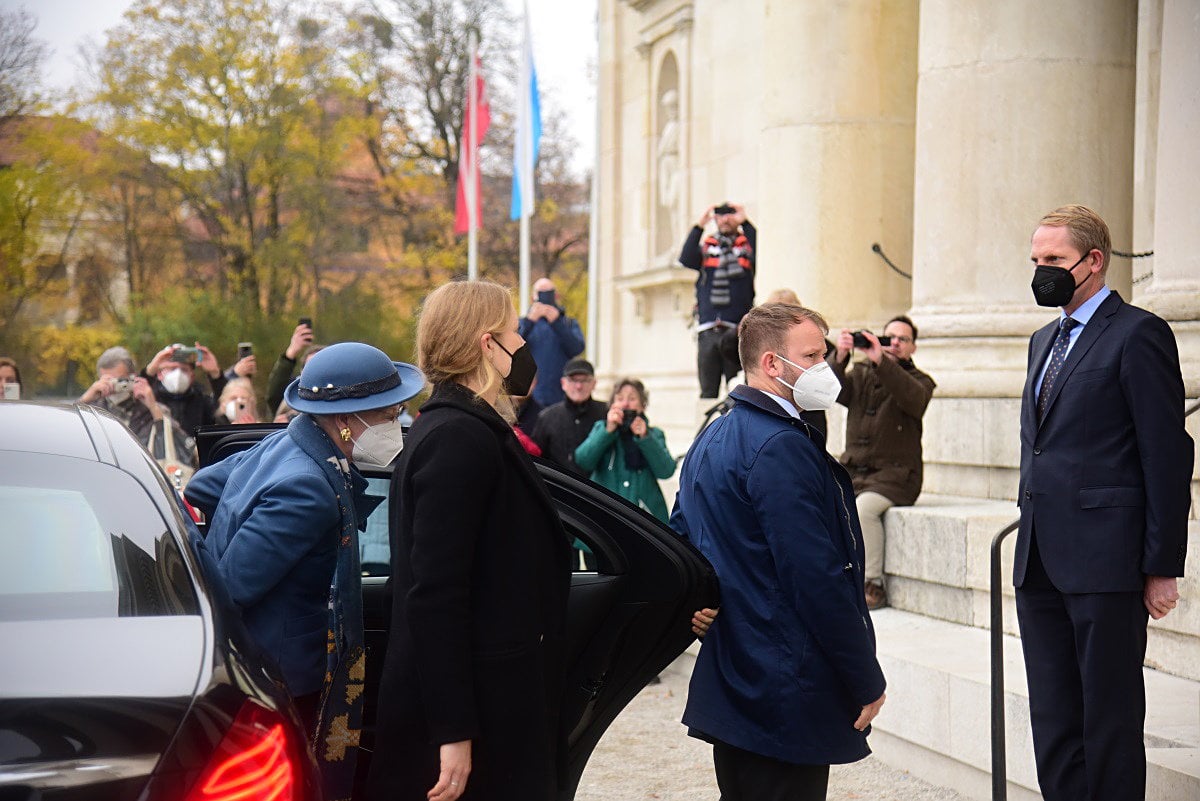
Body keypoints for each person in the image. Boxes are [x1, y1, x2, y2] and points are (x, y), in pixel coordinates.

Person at [185, 341, 424, 800]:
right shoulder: (309, 489)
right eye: (389, 416)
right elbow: (231, 588)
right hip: (289, 677)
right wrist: (224, 543)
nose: (397, 426)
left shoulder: (287, 443)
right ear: (345, 422)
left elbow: (203, 486)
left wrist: (230, 521)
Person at [670, 303, 886, 801]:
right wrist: (864, 676)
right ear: (771, 364)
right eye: (811, 355)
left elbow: (681, 540)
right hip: (783, 681)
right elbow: (815, 575)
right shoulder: (779, 446)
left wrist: (700, 605)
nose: (824, 367)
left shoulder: (714, 434)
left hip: (738, 675)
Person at [367, 280, 572, 801]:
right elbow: (436, 593)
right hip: (478, 706)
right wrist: (452, 730)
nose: (523, 347)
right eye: (514, 333)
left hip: (492, 691)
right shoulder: (458, 438)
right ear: (487, 344)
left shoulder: (463, 428)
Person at [1014, 204, 1192, 801]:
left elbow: (1167, 453)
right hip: (1039, 558)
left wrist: (1162, 563)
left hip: (1107, 563)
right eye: (1037, 260)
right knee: (1054, 718)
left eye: (1055, 261)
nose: (1043, 272)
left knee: (1109, 720)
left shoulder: (1139, 333)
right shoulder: (1043, 340)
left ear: (1093, 261)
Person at [830, 316, 936, 610]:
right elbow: (832, 391)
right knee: (821, 502)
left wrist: (881, 360)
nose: (895, 344)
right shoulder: (860, 373)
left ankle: (872, 585)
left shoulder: (920, 381)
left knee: (863, 509)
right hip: (855, 471)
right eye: (889, 337)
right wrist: (839, 356)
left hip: (897, 477)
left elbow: (914, 401)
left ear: (913, 348)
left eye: (903, 340)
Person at [679, 202, 757, 398]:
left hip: (736, 330)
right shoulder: (708, 247)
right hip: (708, 329)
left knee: (737, 388)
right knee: (708, 390)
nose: (725, 219)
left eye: (730, 214)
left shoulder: (745, 247)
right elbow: (686, 258)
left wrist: (745, 222)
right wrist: (700, 225)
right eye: (720, 215)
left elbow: (762, 249)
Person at [573, 377, 676, 523]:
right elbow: (583, 460)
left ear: (643, 405)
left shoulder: (654, 434)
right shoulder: (601, 428)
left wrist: (645, 438)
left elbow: (666, 471)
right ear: (612, 405)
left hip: (643, 516)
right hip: (604, 513)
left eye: (632, 399)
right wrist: (607, 431)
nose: (626, 404)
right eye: (620, 398)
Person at [79, 346, 198, 469]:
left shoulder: (152, 410)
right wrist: (84, 400)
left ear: (133, 377)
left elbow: (188, 448)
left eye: (120, 381)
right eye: (108, 381)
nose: (114, 387)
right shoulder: (90, 412)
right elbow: (67, 438)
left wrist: (153, 407)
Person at [530, 357, 608, 477]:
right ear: (563, 383)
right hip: (559, 490)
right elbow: (537, 459)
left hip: (598, 492)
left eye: (585, 380)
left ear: (594, 384)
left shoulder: (606, 414)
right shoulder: (547, 417)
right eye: (573, 380)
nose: (578, 386)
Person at [518, 277, 585, 409]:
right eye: (541, 293)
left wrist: (557, 322)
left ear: (556, 296)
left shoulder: (568, 323)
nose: (545, 297)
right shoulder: (523, 323)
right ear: (533, 297)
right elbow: (511, 348)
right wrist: (529, 321)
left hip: (561, 396)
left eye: (549, 293)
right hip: (529, 397)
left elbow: (577, 348)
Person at [143, 342, 225, 435]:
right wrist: (149, 371)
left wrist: (216, 374)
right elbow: (133, 399)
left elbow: (224, 409)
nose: (178, 374)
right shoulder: (148, 400)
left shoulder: (202, 403)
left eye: (184, 369)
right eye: (172, 368)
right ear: (159, 374)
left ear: (192, 376)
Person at [267, 320, 323, 415]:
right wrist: (291, 352)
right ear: (302, 371)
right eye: (309, 367)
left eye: (319, 366)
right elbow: (274, 395)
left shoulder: (339, 397)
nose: (314, 372)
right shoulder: (293, 397)